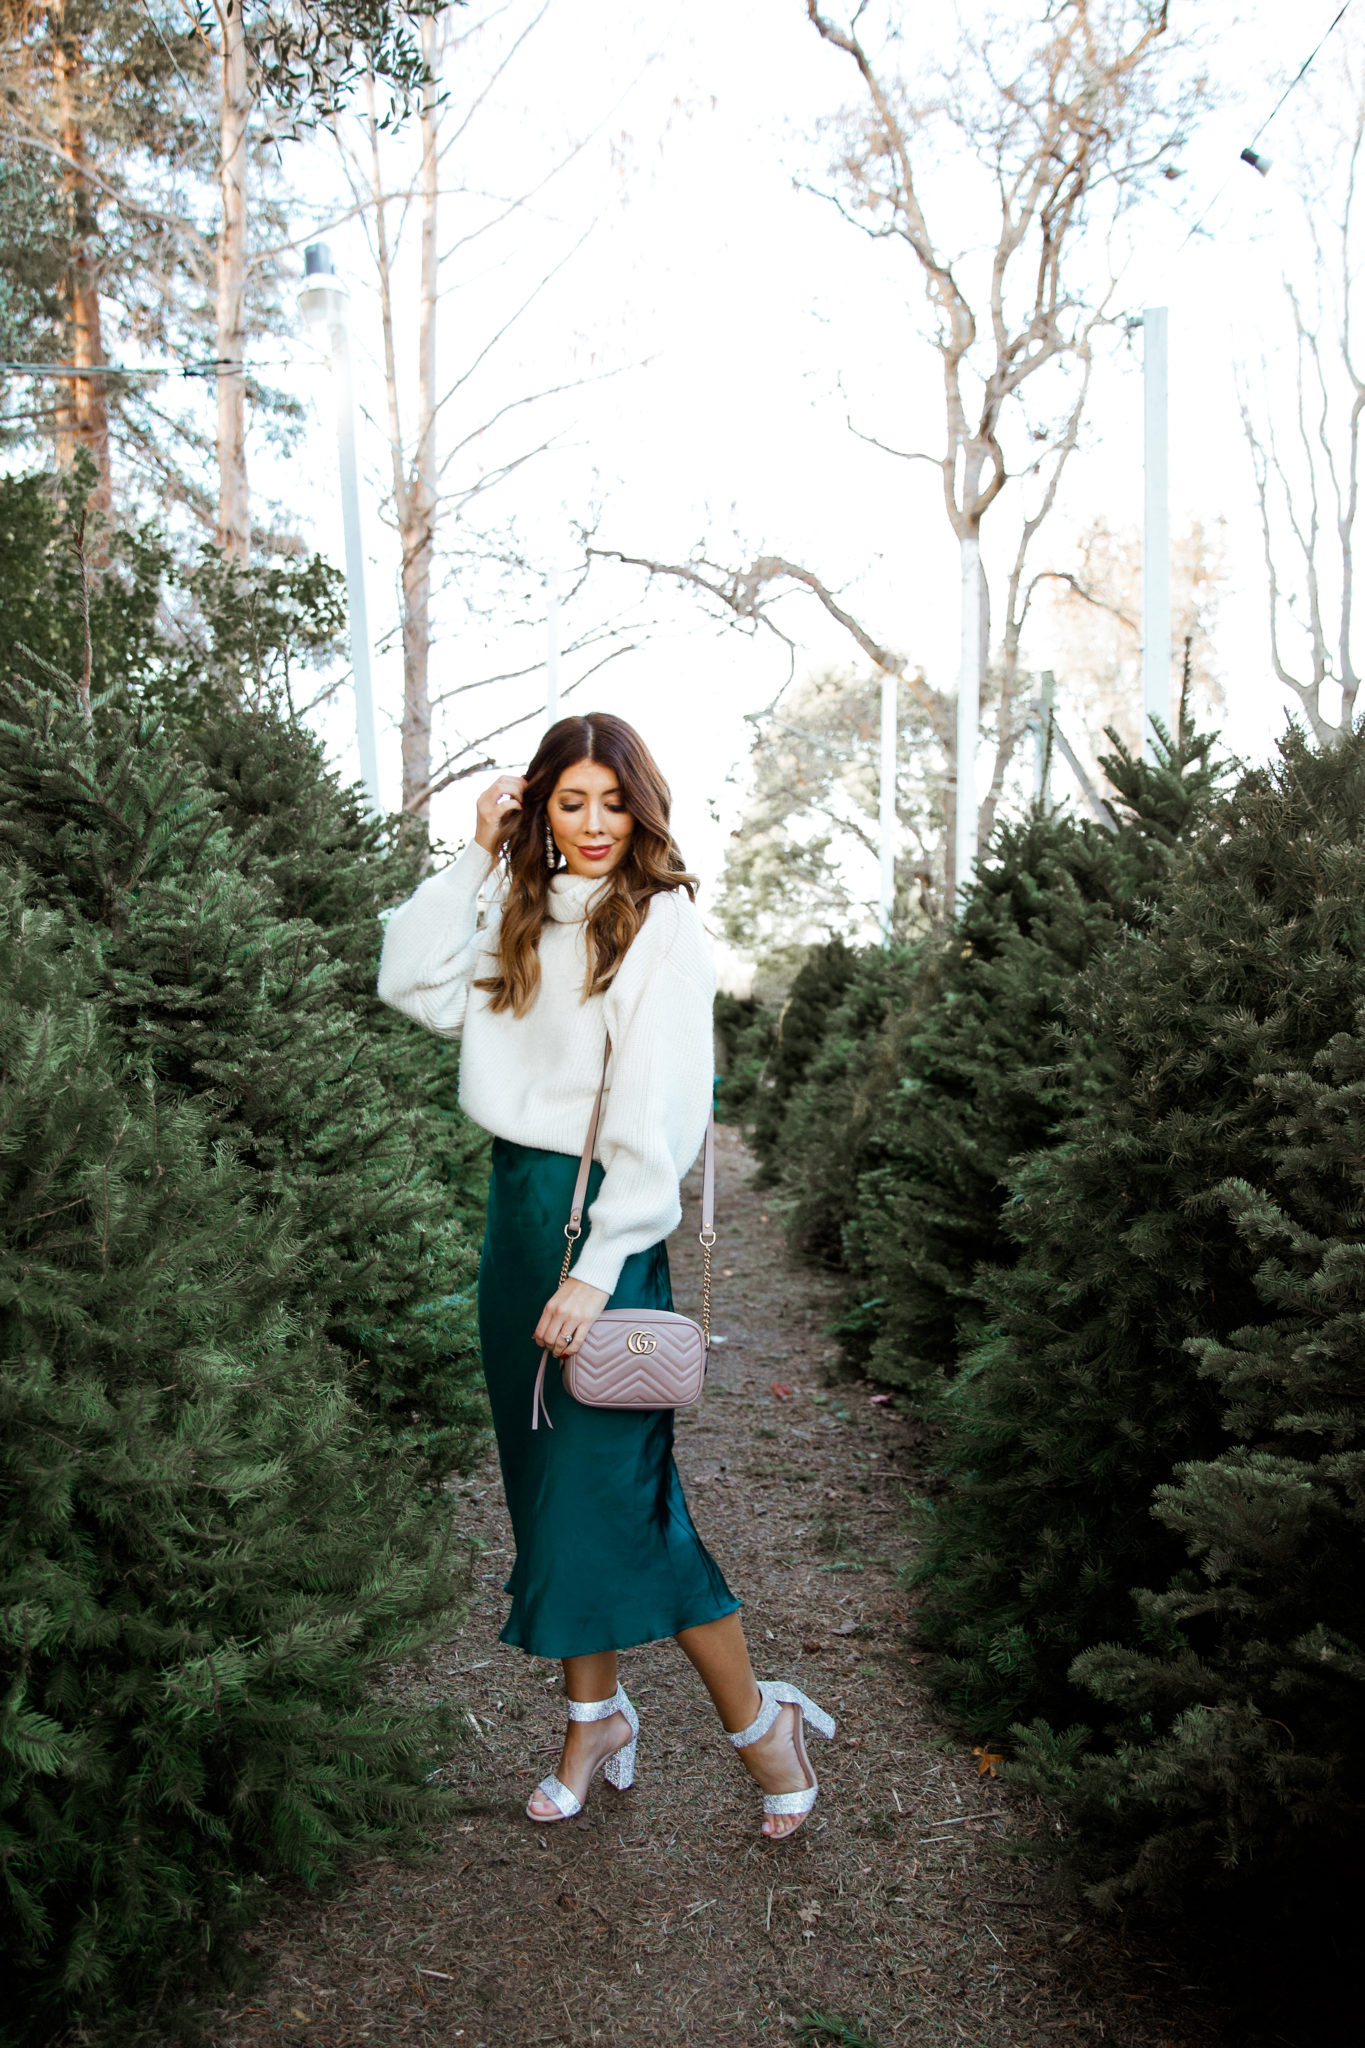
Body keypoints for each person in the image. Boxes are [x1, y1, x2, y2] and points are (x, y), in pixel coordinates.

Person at [378, 712, 835, 1839]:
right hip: (517, 1217)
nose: (590, 826)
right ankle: (596, 1715)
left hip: (604, 1234)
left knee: (624, 1493)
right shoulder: (521, 905)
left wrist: (600, 1265)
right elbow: (408, 981)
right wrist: (478, 854)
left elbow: (663, 1110)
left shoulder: (659, 921)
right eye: (568, 801)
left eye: (611, 802)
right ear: (540, 805)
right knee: (544, 1489)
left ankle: (755, 1720)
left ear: (641, 807)